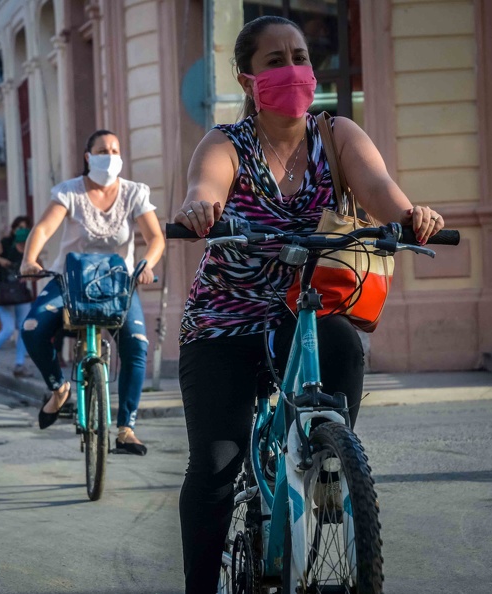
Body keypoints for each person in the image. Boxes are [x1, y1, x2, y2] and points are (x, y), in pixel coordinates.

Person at [172, 16, 445, 593]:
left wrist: (411, 217)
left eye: (300, 56)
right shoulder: (227, 142)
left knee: (343, 343)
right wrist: (201, 208)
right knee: (216, 468)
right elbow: (206, 186)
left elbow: (380, 190)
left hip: (308, 307)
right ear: (248, 80)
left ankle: (329, 459)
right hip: (227, 316)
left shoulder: (337, 134)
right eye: (276, 61)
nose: (293, 70)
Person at [20, 129, 165, 455]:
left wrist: (146, 264)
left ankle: (127, 428)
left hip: (118, 284)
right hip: (69, 282)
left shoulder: (134, 193)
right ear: (89, 157)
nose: (110, 155)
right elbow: (43, 228)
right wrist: (30, 259)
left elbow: (155, 238)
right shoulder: (69, 192)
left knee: (137, 345)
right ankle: (58, 390)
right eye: (103, 150)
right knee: (32, 328)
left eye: (115, 150)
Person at [0, 216, 34, 378]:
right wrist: (0, 260)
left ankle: (19, 365)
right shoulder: (5, 244)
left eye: (25, 228)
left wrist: (30, 275)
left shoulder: (31, 248)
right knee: (9, 328)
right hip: (3, 291)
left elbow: (39, 269)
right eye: (18, 227)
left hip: (21, 293)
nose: (21, 231)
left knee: (24, 327)